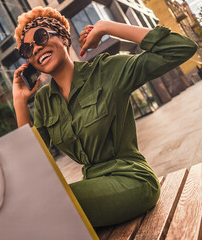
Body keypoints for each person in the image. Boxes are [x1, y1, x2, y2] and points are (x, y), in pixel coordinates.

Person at [12, 7, 197, 227]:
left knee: (48, 206)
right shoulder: (44, 100)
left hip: (132, 179)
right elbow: (31, 164)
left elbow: (181, 48)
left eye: (41, 37)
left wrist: (106, 27)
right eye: (27, 49)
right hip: (95, 187)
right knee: (37, 205)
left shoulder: (106, 70)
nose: (36, 49)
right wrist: (20, 102)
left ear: (63, 37)